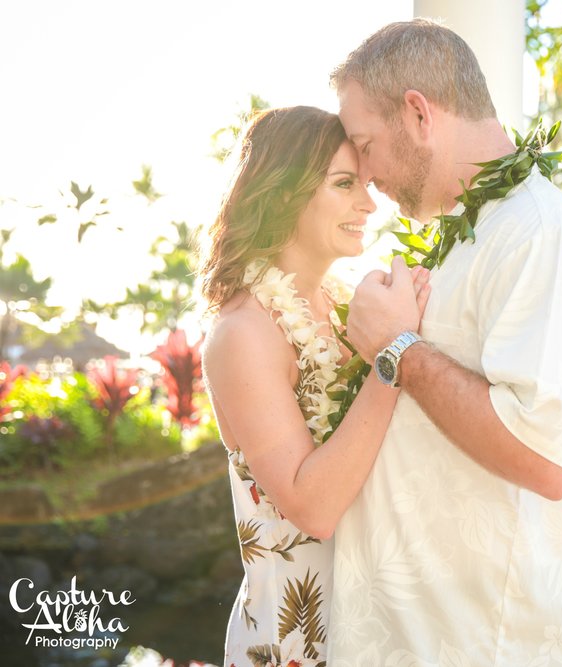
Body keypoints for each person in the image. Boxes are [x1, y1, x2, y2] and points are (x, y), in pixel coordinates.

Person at [327, 19, 562, 666]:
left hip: (479, 644)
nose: (365, 172)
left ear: (417, 114)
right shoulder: (477, 234)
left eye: (365, 144)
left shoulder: (543, 235)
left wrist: (397, 346)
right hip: (419, 637)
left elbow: (547, 455)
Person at [196, 105, 430, 667]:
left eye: (366, 184)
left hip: (378, 626)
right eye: (345, 184)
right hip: (295, 638)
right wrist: (394, 353)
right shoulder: (244, 332)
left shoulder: (352, 307)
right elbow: (313, 507)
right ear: (282, 194)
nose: (369, 204)